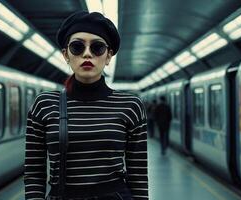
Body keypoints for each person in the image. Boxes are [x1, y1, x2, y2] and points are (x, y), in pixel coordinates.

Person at [24, 11, 148, 200]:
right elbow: (34, 171)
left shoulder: (130, 106)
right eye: (77, 47)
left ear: (108, 56)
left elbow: (138, 176)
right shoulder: (44, 105)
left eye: (97, 47)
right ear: (66, 55)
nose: (87, 53)